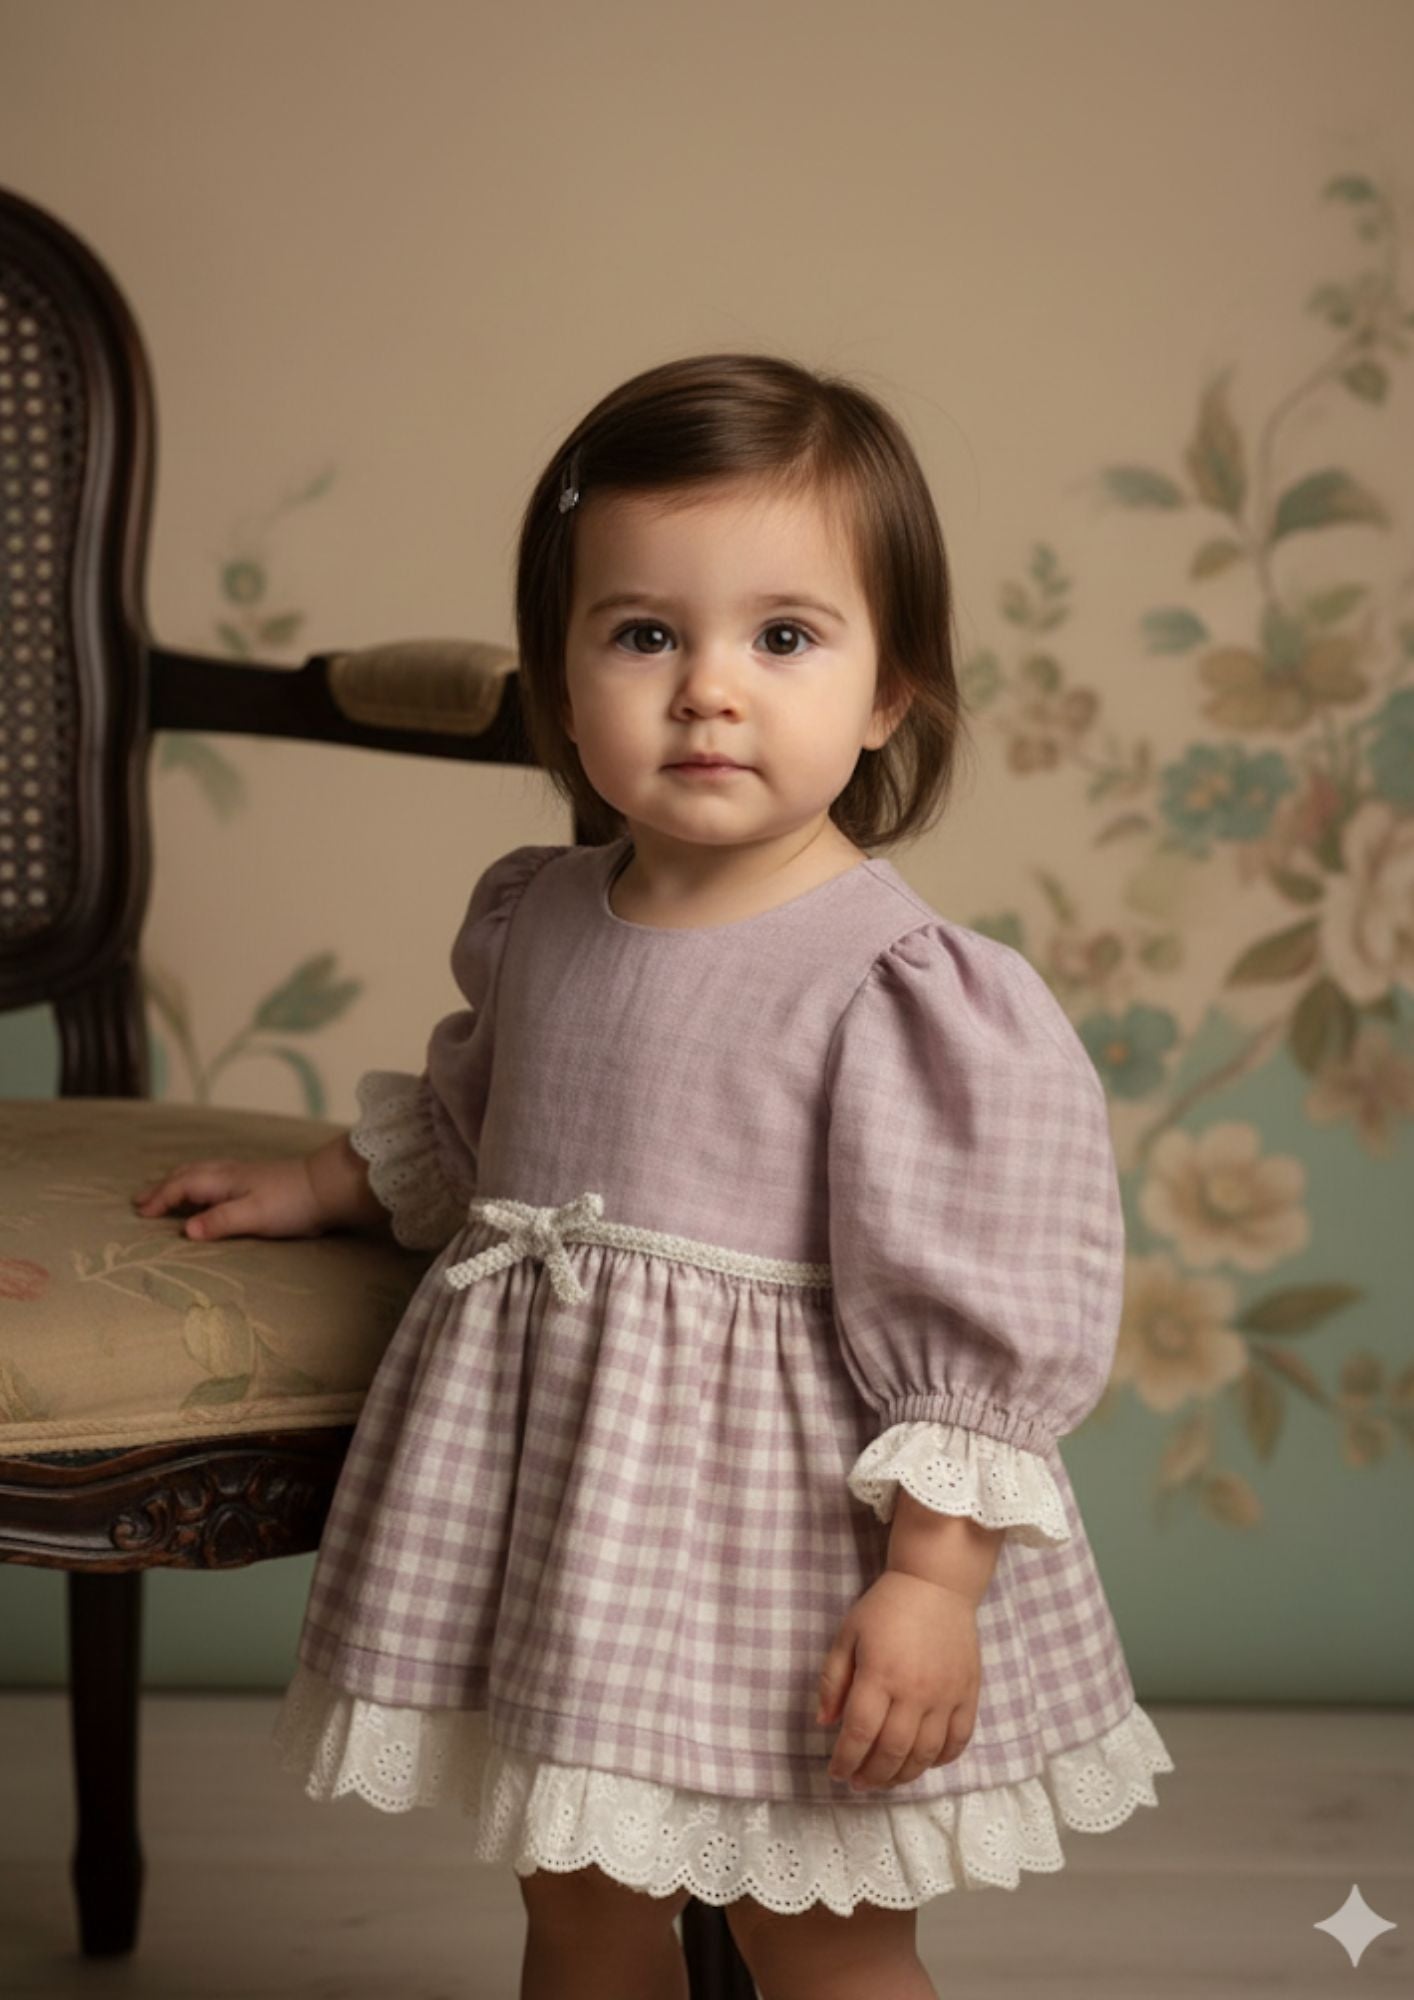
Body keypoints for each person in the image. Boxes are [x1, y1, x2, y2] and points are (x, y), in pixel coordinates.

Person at [130, 352, 1175, 2000]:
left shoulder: (899, 986)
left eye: (782, 636)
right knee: (578, 1909)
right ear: (561, 681)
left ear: (888, 690)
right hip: (576, 1526)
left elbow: (977, 1308)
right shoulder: (542, 913)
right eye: (642, 635)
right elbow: (491, 1113)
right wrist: (337, 1182)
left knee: (821, 1933)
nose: (707, 688)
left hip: (784, 1550)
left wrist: (929, 1581)